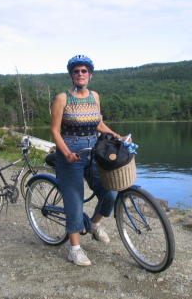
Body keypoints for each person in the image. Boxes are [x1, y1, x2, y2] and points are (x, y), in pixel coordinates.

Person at [51, 55, 130, 266]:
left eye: (84, 71)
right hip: (70, 151)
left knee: (111, 190)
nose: (80, 74)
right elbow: (54, 131)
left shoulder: (95, 96)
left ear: (90, 74)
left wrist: (117, 136)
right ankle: (74, 249)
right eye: (76, 71)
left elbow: (99, 124)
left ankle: (95, 224)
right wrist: (67, 152)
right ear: (71, 75)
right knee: (75, 199)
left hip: (93, 148)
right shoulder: (62, 98)